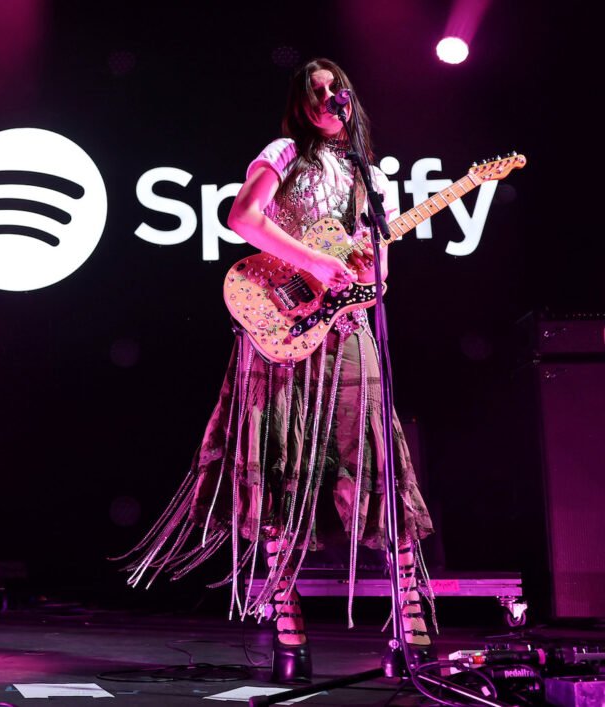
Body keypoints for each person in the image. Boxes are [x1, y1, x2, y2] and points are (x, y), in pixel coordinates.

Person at [120, 59, 435, 683]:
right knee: (278, 474)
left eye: (333, 89)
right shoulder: (286, 150)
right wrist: (316, 263)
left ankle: (409, 623)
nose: (326, 97)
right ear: (300, 102)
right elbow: (242, 218)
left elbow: (379, 276)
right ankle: (286, 623)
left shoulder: (365, 175)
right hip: (280, 336)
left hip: (345, 332)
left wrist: (367, 273)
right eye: (314, 90)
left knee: (381, 465)